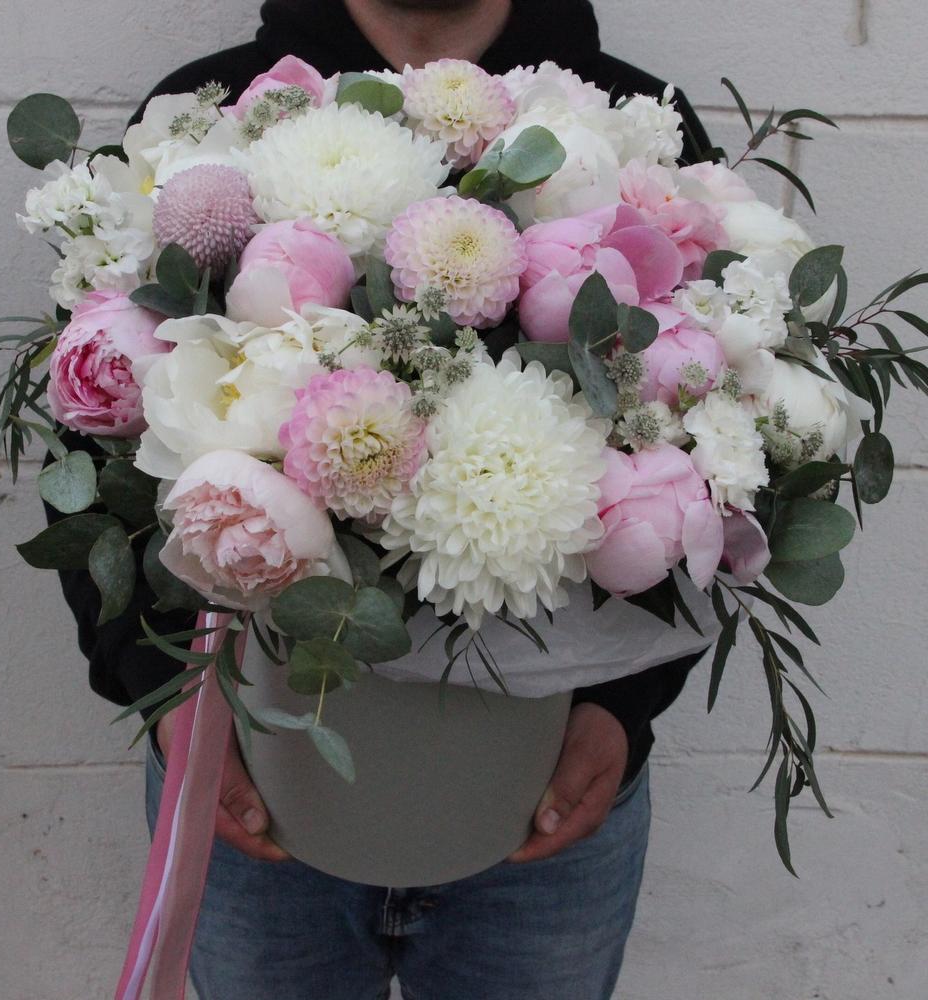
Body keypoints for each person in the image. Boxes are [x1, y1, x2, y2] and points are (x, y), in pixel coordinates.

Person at [53, 2, 712, 996]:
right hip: (257, 790)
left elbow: (714, 464)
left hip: (546, 804)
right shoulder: (210, 125)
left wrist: (621, 710)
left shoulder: (629, 125)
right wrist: (170, 704)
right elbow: (90, 457)